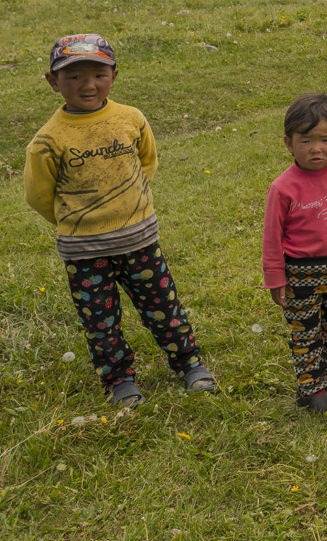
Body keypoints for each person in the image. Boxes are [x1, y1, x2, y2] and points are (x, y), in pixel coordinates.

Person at [23, 33, 216, 407]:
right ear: (53, 82)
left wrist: (129, 206)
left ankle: (188, 362)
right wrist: (77, 222)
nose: (88, 84)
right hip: (84, 252)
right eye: (74, 76)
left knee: (164, 307)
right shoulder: (47, 141)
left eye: (98, 74)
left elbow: (146, 162)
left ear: (114, 74)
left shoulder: (131, 119)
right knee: (100, 323)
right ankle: (119, 379)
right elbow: (39, 196)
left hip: (139, 240)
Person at [262, 92, 327, 412]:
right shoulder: (283, 187)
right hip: (300, 277)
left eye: (325, 139)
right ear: (288, 143)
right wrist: (275, 277)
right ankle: (311, 387)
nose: (316, 148)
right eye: (306, 140)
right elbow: (272, 238)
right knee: (306, 333)